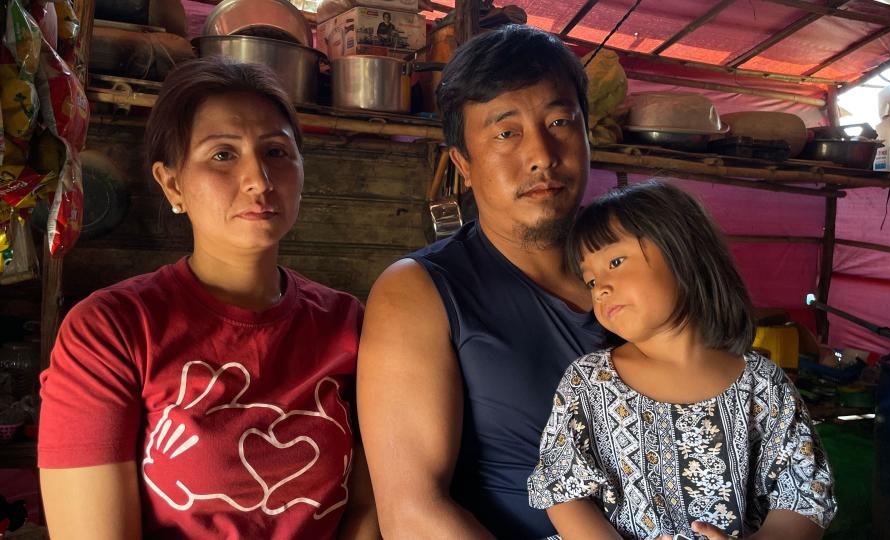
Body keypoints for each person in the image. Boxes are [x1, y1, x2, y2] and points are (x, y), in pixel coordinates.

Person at [37, 57, 378, 540]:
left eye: (277, 152)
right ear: (172, 183)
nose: (259, 179)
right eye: (223, 155)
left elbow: (370, 505)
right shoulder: (111, 330)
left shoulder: (348, 323)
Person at [357, 25, 605, 539]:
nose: (542, 154)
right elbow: (413, 514)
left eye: (560, 121)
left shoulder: (646, 268)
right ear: (463, 165)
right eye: (506, 132)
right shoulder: (421, 291)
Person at [527, 181, 837, 540]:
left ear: (684, 253)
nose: (602, 288)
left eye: (615, 262)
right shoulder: (588, 382)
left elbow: (803, 495)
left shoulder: (763, 385)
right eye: (591, 280)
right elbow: (563, 491)